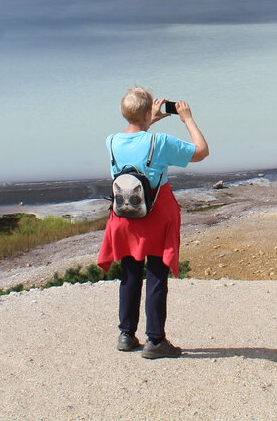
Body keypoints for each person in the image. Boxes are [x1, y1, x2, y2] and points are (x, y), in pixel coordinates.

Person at [97, 87, 209, 359]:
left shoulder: (111, 140)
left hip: (125, 217)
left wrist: (149, 118)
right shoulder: (159, 142)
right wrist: (187, 118)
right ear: (148, 113)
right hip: (156, 217)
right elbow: (201, 151)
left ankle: (126, 334)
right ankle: (155, 340)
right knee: (156, 276)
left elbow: (135, 136)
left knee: (130, 274)